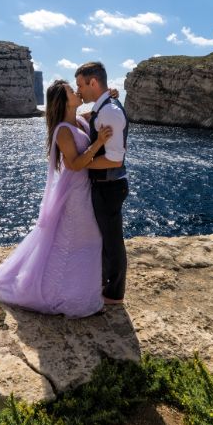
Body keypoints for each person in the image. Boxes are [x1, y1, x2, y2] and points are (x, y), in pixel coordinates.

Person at [0, 80, 113, 318]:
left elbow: (91, 112)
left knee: (87, 242)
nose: (77, 91)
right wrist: (98, 144)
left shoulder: (79, 120)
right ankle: (63, 295)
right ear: (64, 102)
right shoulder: (63, 130)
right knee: (79, 241)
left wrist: (107, 97)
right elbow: (73, 165)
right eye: (72, 91)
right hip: (75, 194)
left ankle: (80, 293)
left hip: (85, 190)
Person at [74, 61, 129, 305]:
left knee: (112, 239)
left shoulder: (109, 112)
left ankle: (115, 293)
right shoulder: (103, 107)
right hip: (104, 185)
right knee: (105, 237)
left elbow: (115, 160)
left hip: (109, 185)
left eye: (81, 85)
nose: (79, 91)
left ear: (93, 82)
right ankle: (106, 283)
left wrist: (81, 163)